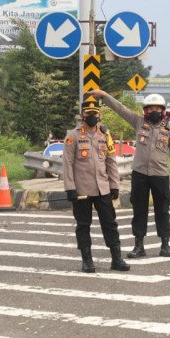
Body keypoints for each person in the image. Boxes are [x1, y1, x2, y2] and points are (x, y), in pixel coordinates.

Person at [88, 89, 170, 258]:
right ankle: (139, 246)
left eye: (157, 108)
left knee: (162, 210)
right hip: (140, 174)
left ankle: (165, 244)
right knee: (139, 210)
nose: (153, 111)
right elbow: (120, 109)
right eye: (150, 108)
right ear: (145, 110)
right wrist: (104, 96)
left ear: (163, 111)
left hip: (160, 175)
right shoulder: (138, 122)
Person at [62, 98, 129, 273]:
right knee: (83, 225)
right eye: (88, 113)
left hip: (103, 188)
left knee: (110, 224)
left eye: (95, 113)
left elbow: (111, 161)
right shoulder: (73, 136)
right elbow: (67, 164)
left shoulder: (104, 135)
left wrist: (114, 185)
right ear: (82, 115)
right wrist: (70, 188)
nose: (92, 116)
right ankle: (87, 261)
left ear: (99, 115)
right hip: (82, 190)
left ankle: (117, 259)